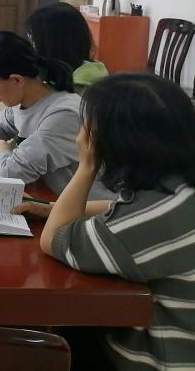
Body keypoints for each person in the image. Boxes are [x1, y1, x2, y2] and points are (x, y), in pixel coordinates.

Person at [39, 73, 195, 370]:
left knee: (52, 341)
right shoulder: (177, 193)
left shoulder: (147, 224)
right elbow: (124, 208)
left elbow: (54, 238)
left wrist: (87, 165)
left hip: (161, 362)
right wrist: (54, 208)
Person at [0, 31, 113, 198]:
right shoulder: (25, 100)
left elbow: (13, 173)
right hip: (47, 196)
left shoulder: (63, 115)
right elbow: (2, 125)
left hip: (85, 208)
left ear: (17, 80)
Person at [25, 1, 108, 94]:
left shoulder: (81, 85)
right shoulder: (58, 73)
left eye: (34, 40)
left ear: (54, 44)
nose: (32, 47)